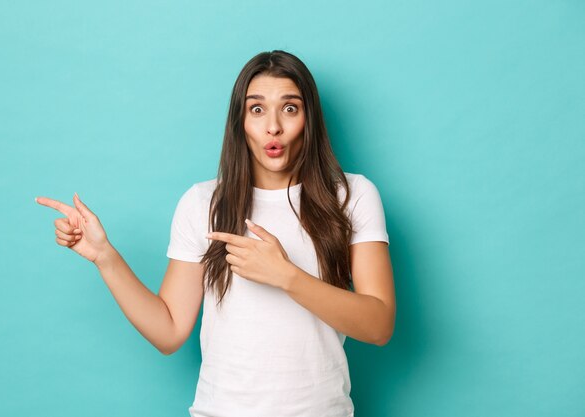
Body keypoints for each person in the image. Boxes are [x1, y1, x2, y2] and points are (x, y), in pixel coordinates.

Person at [36, 50, 395, 417]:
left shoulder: (352, 196)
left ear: (310, 118)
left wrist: (286, 276)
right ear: (240, 122)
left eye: (290, 108)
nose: (273, 126)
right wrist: (105, 257)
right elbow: (170, 331)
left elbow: (379, 324)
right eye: (257, 109)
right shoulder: (203, 202)